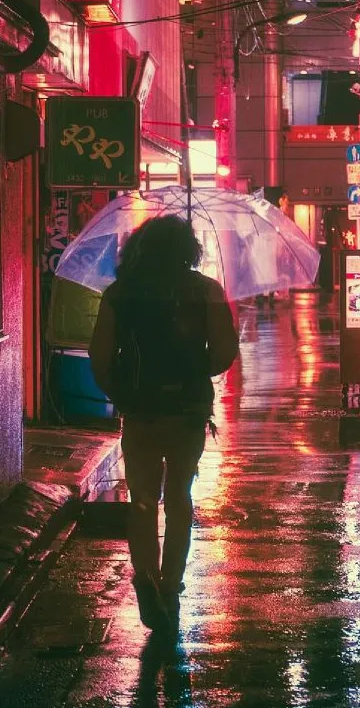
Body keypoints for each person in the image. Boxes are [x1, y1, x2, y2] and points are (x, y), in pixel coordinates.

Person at [89, 214, 239, 632]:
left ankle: (145, 579)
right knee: (178, 499)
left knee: (141, 501)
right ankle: (170, 587)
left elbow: (99, 357)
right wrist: (192, 373)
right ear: (187, 250)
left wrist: (123, 394)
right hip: (188, 412)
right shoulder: (206, 291)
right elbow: (225, 351)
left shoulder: (120, 294)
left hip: (140, 412)